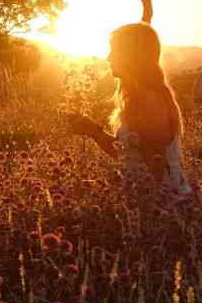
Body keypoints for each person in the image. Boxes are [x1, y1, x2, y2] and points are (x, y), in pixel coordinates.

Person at [64, 22, 192, 196]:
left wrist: (112, 188)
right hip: (146, 198)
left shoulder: (150, 100)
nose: (108, 58)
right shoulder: (137, 98)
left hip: (164, 206)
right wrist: (93, 130)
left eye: (114, 51)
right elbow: (131, 154)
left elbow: (156, 166)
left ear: (132, 56)